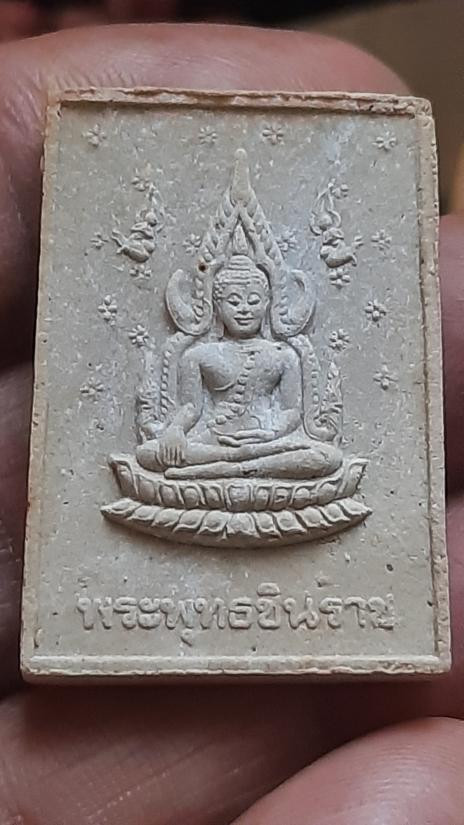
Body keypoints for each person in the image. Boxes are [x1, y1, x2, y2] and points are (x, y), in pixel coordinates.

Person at [0, 19, 463, 825]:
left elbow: (298, 428)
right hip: (211, 453)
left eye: (254, 296)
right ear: (211, 299)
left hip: (273, 453)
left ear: (272, 298)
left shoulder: (285, 354)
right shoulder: (198, 353)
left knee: (318, 460)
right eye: (231, 296)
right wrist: (177, 441)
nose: (243, 304)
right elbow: (185, 416)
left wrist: (272, 447)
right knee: (161, 462)